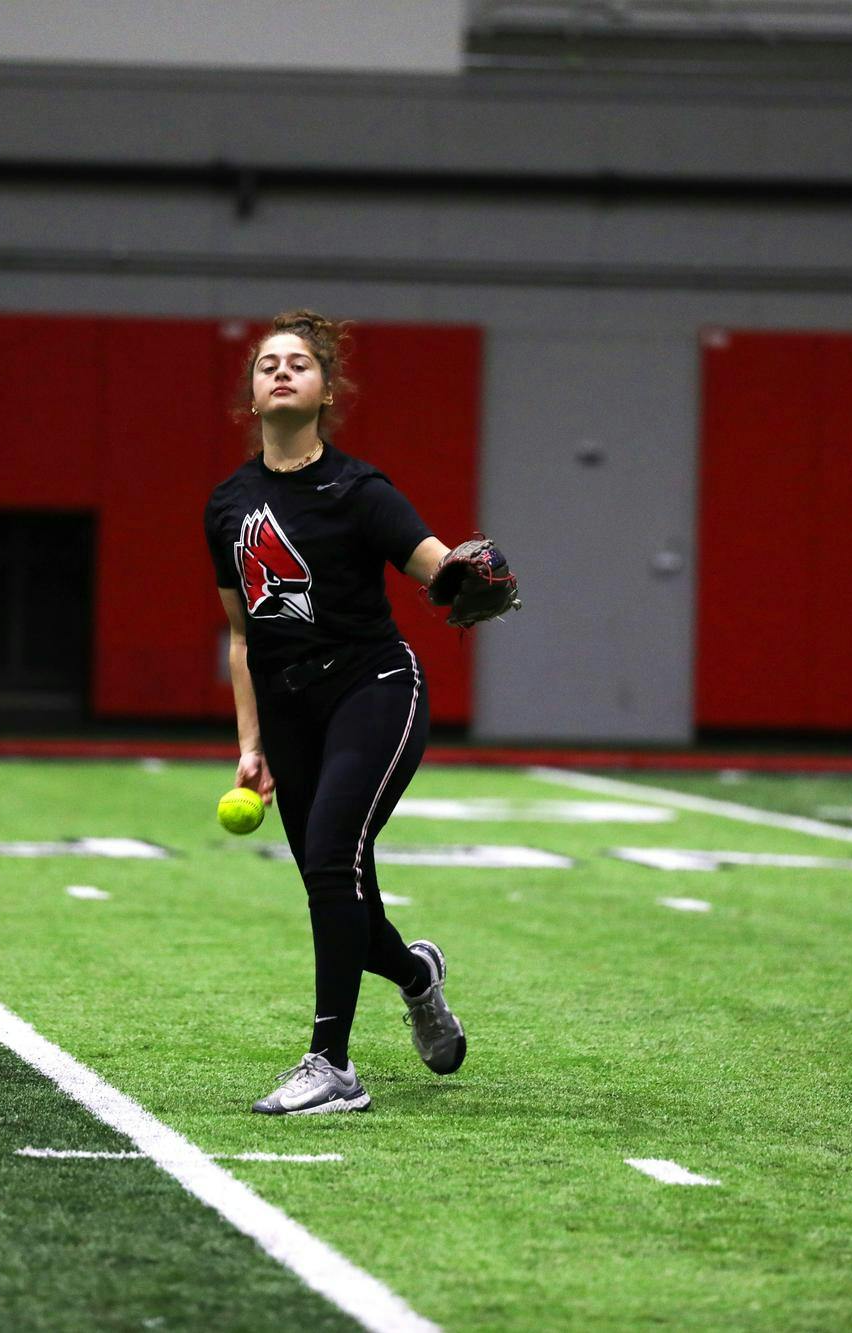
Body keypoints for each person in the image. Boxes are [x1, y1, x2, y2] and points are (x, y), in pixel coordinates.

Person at [204, 309, 503, 1115]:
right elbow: (242, 638)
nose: (281, 372)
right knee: (334, 891)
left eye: (299, 363)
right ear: (252, 395)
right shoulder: (227, 504)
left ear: (326, 390)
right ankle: (418, 975)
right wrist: (251, 743)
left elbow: (437, 565)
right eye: (267, 363)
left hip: (374, 686)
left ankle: (331, 1064)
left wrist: (473, 574)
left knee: (335, 858)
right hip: (291, 710)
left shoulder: (359, 490)